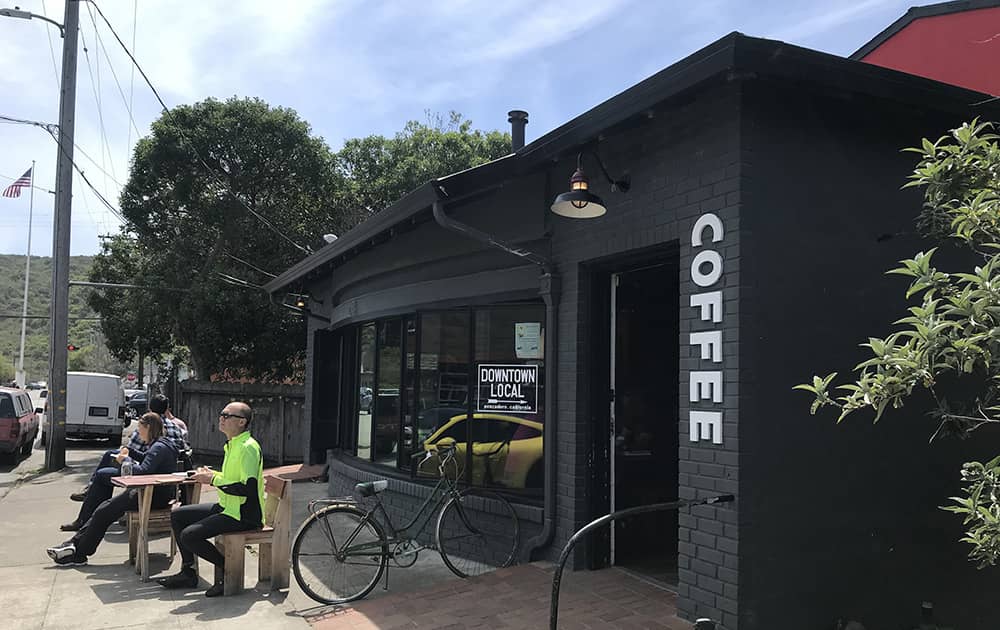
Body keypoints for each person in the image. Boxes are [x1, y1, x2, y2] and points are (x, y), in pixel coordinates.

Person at [157, 401, 263, 597]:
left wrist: (212, 479)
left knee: (189, 535)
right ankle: (188, 572)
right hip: (227, 507)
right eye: (221, 414)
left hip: (243, 514)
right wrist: (212, 474)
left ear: (241, 422)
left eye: (226, 415)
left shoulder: (247, 447)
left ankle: (227, 567)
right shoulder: (233, 444)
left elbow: (247, 489)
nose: (221, 418)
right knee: (178, 516)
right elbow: (232, 479)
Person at [46, 412, 178, 565]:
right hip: (150, 493)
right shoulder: (161, 444)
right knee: (103, 509)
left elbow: (143, 470)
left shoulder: (159, 447)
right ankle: (74, 546)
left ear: (148, 427)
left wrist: (125, 460)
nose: (138, 432)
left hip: (150, 496)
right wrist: (131, 452)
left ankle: (78, 552)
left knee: (103, 511)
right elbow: (149, 461)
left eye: (140, 428)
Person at [66, 393, 187, 515]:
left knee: (106, 465)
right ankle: (96, 502)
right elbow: (184, 450)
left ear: (150, 408)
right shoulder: (176, 427)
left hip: (147, 474)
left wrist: (124, 457)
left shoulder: (147, 425)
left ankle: (92, 496)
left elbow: (137, 458)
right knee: (108, 463)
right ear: (167, 409)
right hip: (168, 473)